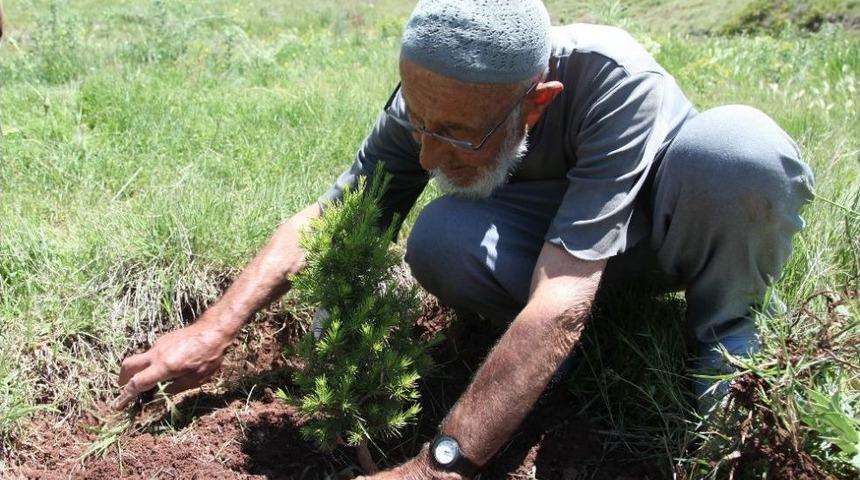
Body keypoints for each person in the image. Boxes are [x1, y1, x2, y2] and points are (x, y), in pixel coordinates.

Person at [115, 1, 814, 478]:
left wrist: (439, 462)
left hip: (656, 240)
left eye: (453, 134)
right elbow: (331, 218)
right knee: (440, 236)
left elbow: (565, 296)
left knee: (738, 153)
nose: (426, 156)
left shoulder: (612, 78)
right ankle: (549, 362)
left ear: (536, 102)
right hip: (556, 259)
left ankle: (726, 338)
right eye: (419, 120)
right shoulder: (438, 100)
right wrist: (213, 330)